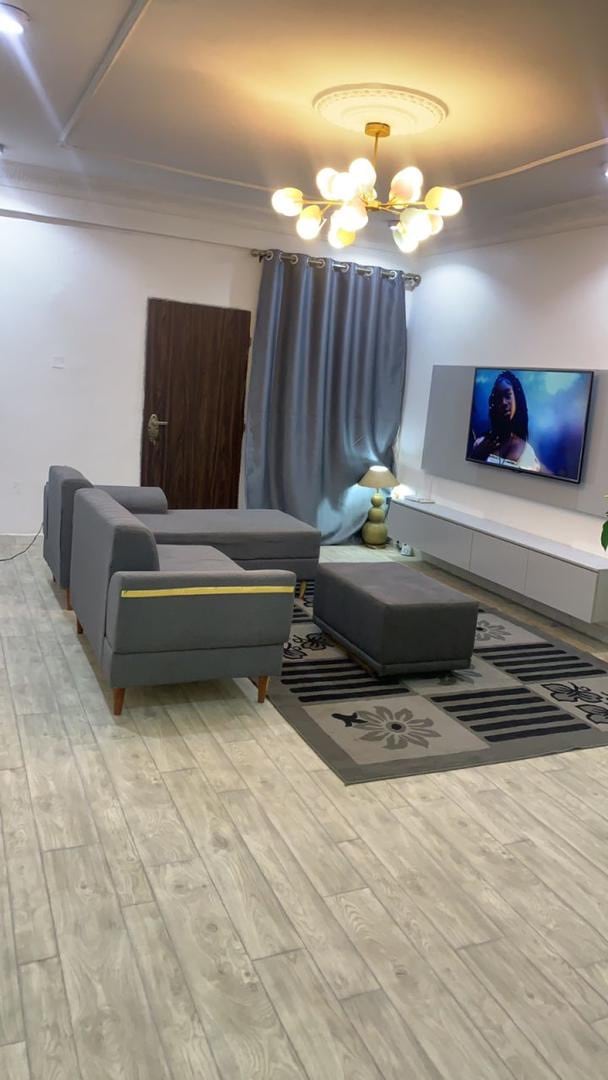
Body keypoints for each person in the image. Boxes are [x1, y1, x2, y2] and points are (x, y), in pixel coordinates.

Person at [469, 370, 544, 472]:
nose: (503, 402)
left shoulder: (527, 452)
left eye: (507, 395)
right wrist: (477, 455)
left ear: (516, 399)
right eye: (498, 397)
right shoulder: (480, 443)